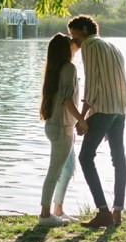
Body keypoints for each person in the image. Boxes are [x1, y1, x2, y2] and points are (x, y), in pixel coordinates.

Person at [67, 15, 126, 228]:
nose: (73, 40)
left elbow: (92, 85)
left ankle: (103, 212)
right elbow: (120, 81)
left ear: (84, 29)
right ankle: (118, 212)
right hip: (119, 109)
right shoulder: (113, 46)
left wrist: (84, 117)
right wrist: (113, 115)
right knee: (118, 158)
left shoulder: (90, 46)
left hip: (103, 109)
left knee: (86, 158)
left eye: (74, 34)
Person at [38, 33, 89, 226]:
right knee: (56, 170)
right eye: (70, 44)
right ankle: (45, 214)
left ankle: (57, 209)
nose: (73, 46)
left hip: (57, 126)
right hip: (62, 128)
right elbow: (67, 100)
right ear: (64, 50)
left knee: (68, 168)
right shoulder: (69, 68)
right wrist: (82, 120)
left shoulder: (53, 68)